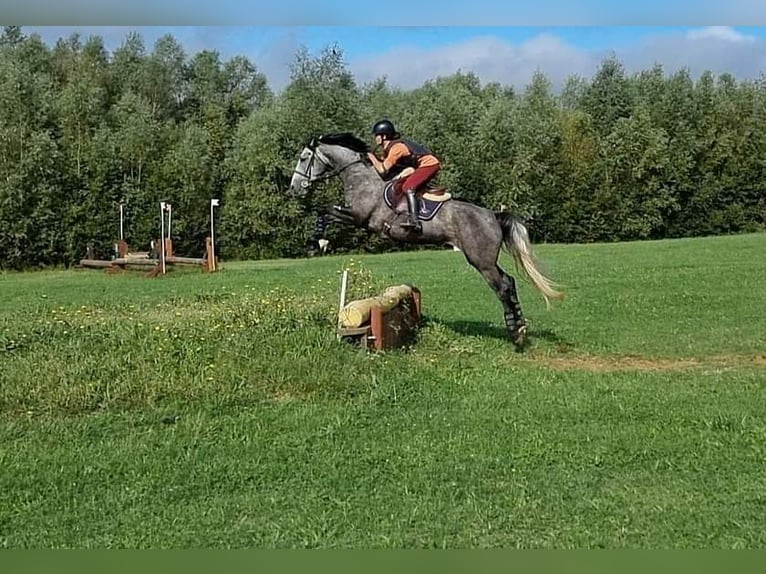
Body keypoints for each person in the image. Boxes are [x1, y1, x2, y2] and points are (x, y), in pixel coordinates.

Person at [366, 119, 441, 232]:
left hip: (430, 164)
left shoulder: (397, 148)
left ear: (384, 136)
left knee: (408, 187)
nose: (375, 138)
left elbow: (383, 170)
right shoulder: (389, 148)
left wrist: (370, 155)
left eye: (377, 135)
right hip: (417, 167)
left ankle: (415, 221)